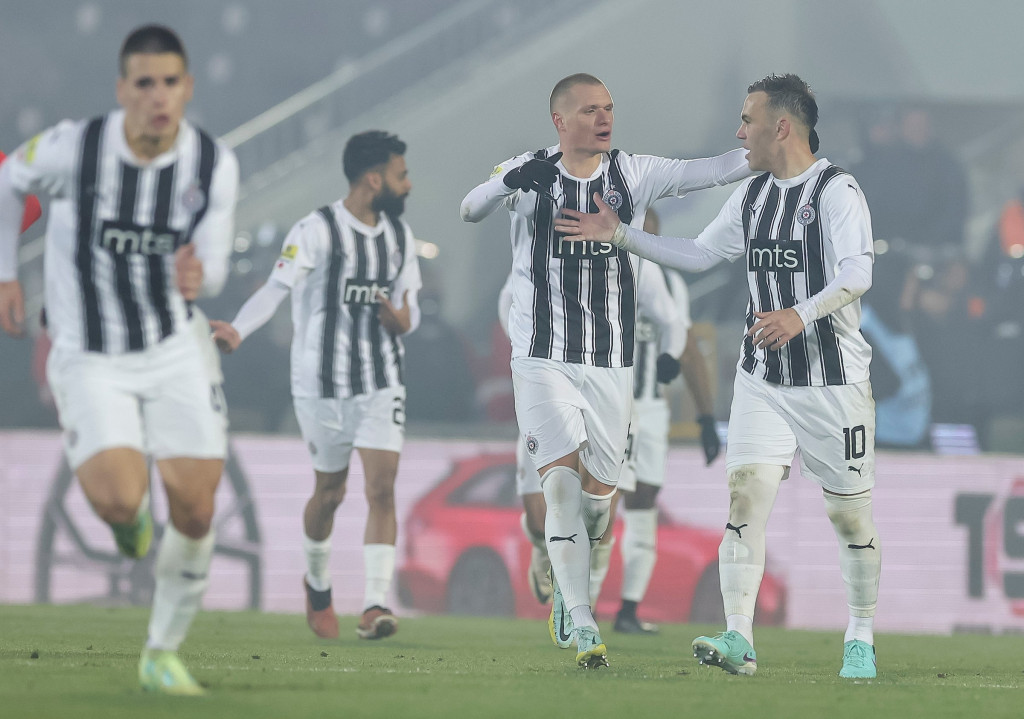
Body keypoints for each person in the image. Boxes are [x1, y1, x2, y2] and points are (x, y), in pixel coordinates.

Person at [555, 73, 880, 679]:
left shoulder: (837, 191)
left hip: (833, 382)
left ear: (780, 126)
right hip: (762, 379)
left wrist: (800, 313)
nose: (739, 132)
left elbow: (857, 273)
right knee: (745, 498)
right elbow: (702, 252)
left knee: (850, 516)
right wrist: (620, 235)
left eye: (747, 120)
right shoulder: (753, 195)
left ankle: (859, 636)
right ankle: (739, 638)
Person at [461, 72, 750, 668]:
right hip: (542, 356)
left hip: (610, 363)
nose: (604, 118)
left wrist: (769, 151)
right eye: (591, 109)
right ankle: (582, 617)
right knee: (560, 486)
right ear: (560, 120)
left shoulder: (633, 174)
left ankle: (573, 588)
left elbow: (712, 170)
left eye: (609, 108)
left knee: (598, 503)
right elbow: (469, 208)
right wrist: (507, 182)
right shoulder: (529, 170)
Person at [0, 25, 238, 695]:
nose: (158, 96)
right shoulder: (75, 148)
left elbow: (215, 259)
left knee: (196, 509)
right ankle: (129, 524)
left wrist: (202, 274)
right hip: (88, 353)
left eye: (170, 83)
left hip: (174, 348)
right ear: (122, 90)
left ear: (187, 88)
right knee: (118, 499)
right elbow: (9, 180)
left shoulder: (212, 162)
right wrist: (6, 273)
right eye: (145, 83)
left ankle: (162, 652)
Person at [211, 130, 421, 641]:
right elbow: (276, 288)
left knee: (382, 488)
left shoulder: (400, 236)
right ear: (374, 180)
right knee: (330, 493)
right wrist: (238, 328)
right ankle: (318, 584)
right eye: (401, 175)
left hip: (381, 381)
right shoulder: (316, 229)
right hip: (320, 384)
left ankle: (375, 604)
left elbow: (408, 310)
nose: (408, 184)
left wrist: (400, 321)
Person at [607, 209, 721, 635]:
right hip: (610, 402)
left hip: (652, 408)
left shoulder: (670, 284)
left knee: (645, 500)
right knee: (604, 499)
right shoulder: (600, 270)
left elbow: (686, 346)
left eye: (651, 234)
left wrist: (705, 416)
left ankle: (628, 610)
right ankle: (580, 603)